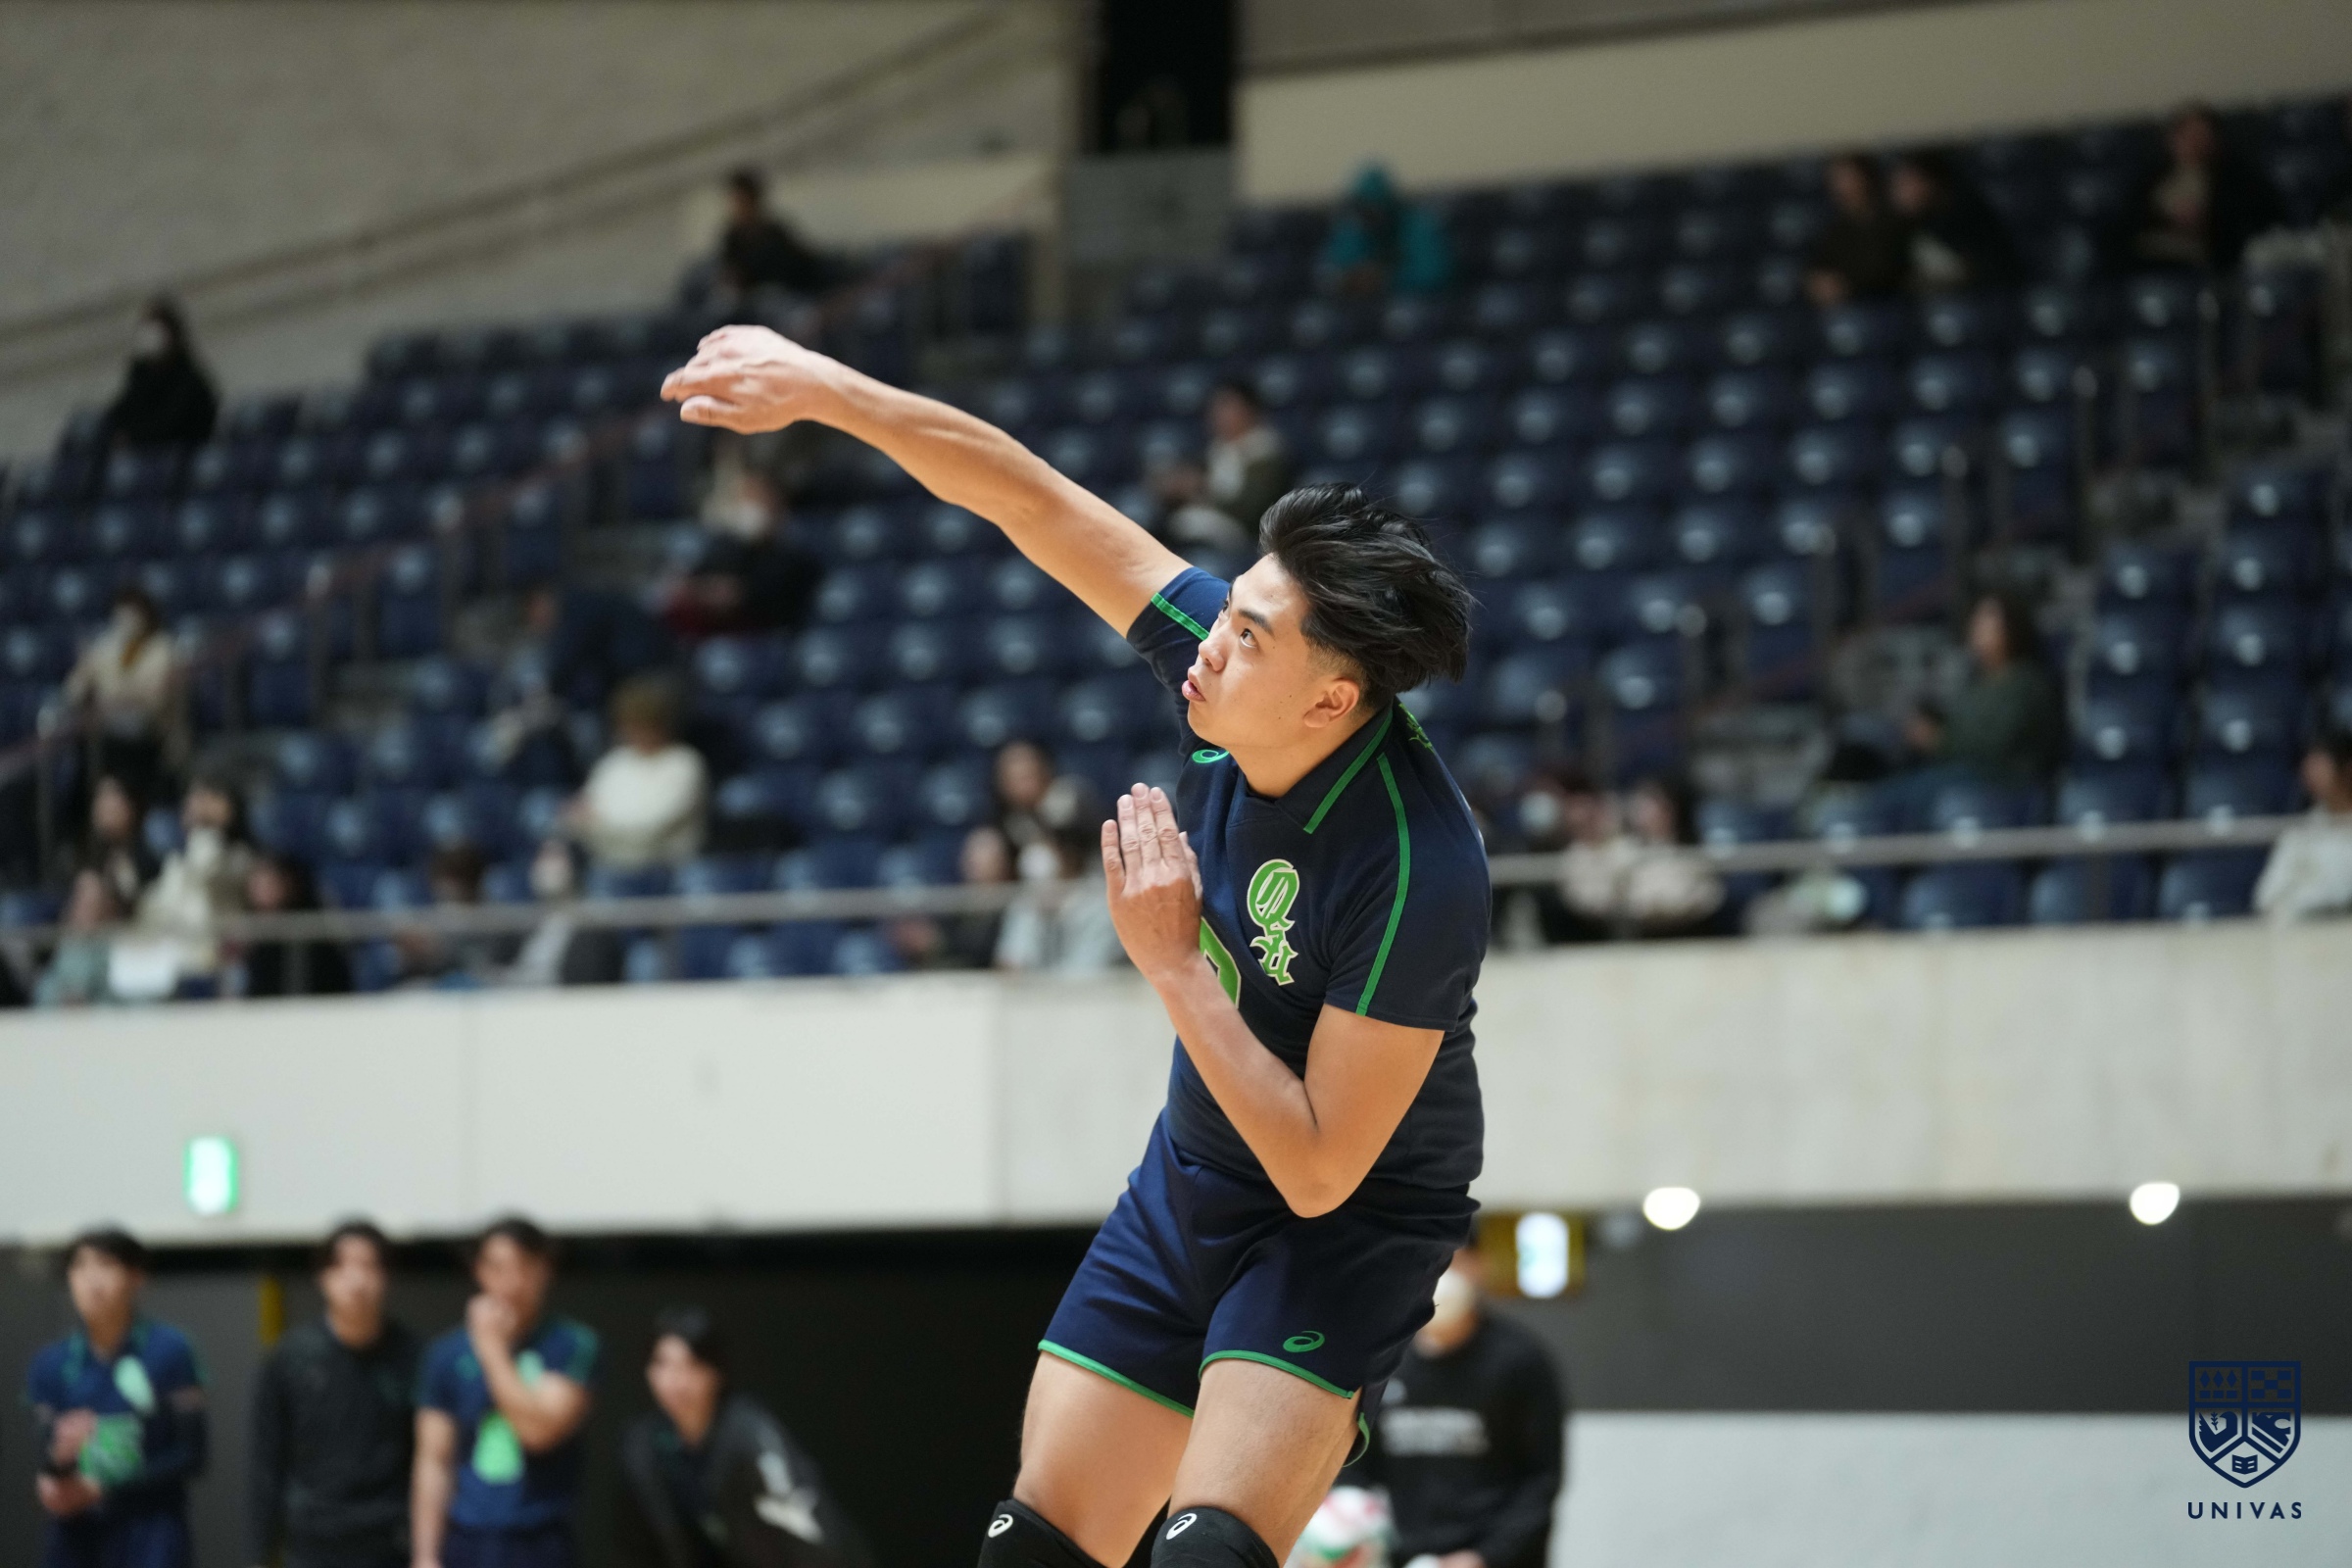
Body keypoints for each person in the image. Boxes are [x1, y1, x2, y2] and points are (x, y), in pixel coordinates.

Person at [663, 326, 1489, 1568]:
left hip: (1347, 1223)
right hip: (1200, 1174)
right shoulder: (1221, 668)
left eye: (1252, 636)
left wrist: (1174, 964)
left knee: (1204, 1554)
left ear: (1332, 698)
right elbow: (1030, 498)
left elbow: (1322, 1166)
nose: (1213, 640)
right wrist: (834, 394)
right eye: (1232, 607)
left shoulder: (1421, 864)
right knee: (1031, 1550)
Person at [1348, 1248, 1565, 1568]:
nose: (1442, 1274)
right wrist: (1347, 1527)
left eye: (1453, 1260)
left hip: (1497, 1558)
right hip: (1408, 1556)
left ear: (1479, 1267)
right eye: (1430, 1259)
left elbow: (1540, 1480)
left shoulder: (1519, 1361)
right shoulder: (1385, 1360)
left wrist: (1484, 1557)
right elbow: (1354, 1463)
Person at [614, 1306, 874, 1568]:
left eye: (692, 1365)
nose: (676, 1381)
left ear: (716, 1372)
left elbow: (811, 1537)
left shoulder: (750, 1436)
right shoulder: (643, 1447)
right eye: (662, 1364)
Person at [413, 1217, 598, 1568]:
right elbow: (434, 1459)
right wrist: (425, 1555)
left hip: (540, 1536)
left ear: (544, 1270)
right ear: (479, 1271)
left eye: (524, 1267)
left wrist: (492, 1350)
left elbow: (539, 1432)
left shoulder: (570, 1344)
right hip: (467, 1536)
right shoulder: (446, 1355)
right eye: (498, 1268)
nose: (511, 1283)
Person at [24, 1228, 209, 1568]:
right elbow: (47, 1457)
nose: (92, 1280)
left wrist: (103, 1486)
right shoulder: (50, 1364)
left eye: (105, 1265)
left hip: (152, 1535)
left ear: (135, 1277)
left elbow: (191, 1454)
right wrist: (58, 1466)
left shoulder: (170, 1351)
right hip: (77, 1538)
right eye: (80, 1267)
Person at [249, 1221, 418, 1568]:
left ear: (386, 1276)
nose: (356, 1280)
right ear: (323, 1277)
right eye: (342, 1266)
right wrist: (259, 1554)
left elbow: (428, 1460)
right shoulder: (290, 1357)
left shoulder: (413, 1356)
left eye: (368, 1266)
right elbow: (267, 1460)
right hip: (312, 1540)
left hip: (389, 1539)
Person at [1896, 593, 2064, 795]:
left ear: (2012, 628)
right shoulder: (1978, 682)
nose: (1977, 629)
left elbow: (1996, 745)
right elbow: (1961, 726)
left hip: (2004, 784)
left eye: (1987, 623)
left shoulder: (2027, 684)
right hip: (1960, 774)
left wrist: (1938, 740)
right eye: (1976, 621)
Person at [2114, 103, 2284, 275]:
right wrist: (2166, 217)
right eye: (2187, 135)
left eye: (2202, 135)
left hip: (2206, 257)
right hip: (2151, 252)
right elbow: (2129, 217)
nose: (2194, 143)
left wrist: (2203, 216)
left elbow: (2255, 216)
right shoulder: (2153, 177)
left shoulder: (2234, 177)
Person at [662, 466, 823, 641]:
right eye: (746, 500)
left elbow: (741, 596)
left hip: (766, 637)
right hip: (713, 638)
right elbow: (685, 589)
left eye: (761, 501)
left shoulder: (792, 557)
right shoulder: (722, 546)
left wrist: (733, 592)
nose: (751, 511)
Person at [1555, 776, 1726, 941]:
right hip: (1635, 938)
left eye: (1649, 804)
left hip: (1688, 936)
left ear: (1670, 809)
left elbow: (1705, 897)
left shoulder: (1691, 853)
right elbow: (1597, 899)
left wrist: (1661, 905)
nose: (1640, 811)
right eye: (1639, 804)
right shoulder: (1621, 850)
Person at [130, 773, 254, 997]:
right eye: (194, 799)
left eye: (208, 798)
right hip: (172, 968)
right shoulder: (175, 864)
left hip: (217, 970)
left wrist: (207, 827)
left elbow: (207, 869)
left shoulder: (239, 857)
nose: (198, 805)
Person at [568, 678, 708, 872]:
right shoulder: (614, 763)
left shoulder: (684, 763)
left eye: (644, 723)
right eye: (630, 724)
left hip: (665, 871)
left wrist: (598, 825)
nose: (635, 732)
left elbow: (651, 828)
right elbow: (578, 817)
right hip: (609, 867)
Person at [62, 587, 180, 808]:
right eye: (121, 613)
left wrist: (116, 697)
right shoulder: (106, 648)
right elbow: (73, 692)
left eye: (133, 612)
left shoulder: (161, 648)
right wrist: (84, 670)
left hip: (149, 736)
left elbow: (154, 699)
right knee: (81, 750)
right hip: (107, 732)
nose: (127, 620)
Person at [995, 780, 1125, 975]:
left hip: (1090, 994)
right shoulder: (1033, 895)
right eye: (1056, 840)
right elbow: (1009, 966)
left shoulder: (1104, 900)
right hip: (1031, 994)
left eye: (1071, 842)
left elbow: (1087, 977)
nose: (1063, 850)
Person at [1151, 382, 1293, 557]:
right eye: (1216, 409)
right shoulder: (1216, 451)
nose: (1219, 415)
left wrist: (1202, 490)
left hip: (1247, 538)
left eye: (1227, 407)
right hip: (1204, 527)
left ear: (1249, 410)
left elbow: (1254, 511)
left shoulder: (1265, 452)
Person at [2254, 728, 2352, 922]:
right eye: (2310, 767)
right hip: (2308, 932)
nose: (2312, 776)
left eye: (2321, 766)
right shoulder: (2300, 831)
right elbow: (2267, 897)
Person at [1888, 149, 2022, 292]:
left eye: (1907, 183)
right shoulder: (1904, 228)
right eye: (1897, 185)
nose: (1900, 194)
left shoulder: (1967, 213)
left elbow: (1993, 268)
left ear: (1930, 181)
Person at [98, 297, 219, 451]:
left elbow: (172, 422)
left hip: (177, 453)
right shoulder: (141, 375)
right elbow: (123, 409)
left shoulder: (188, 379)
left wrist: (133, 437)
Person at [1320, 165, 1452, 298]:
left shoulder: (1418, 226)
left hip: (1418, 299)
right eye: (1363, 208)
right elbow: (1327, 272)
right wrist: (1348, 279)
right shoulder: (1353, 229)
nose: (1370, 213)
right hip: (1360, 303)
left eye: (1375, 207)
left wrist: (1386, 279)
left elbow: (1435, 273)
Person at [236, 852, 354, 999]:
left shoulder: (309, 930)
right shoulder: (247, 932)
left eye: (268, 884)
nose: (261, 891)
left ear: (287, 884)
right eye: (257, 884)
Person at [1805, 154, 1910, 307]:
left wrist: (1848, 285)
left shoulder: (1892, 217)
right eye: (1835, 179)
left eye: (1846, 177)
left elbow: (1890, 269)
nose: (1840, 186)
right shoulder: (1835, 227)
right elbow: (1820, 264)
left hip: (1889, 301)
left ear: (1863, 177)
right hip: (1848, 304)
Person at [715, 169, 833, 302]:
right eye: (734, 202)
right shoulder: (732, 238)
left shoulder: (774, 235)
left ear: (754, 201)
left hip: (790, 293)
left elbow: (800, 268)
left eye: (742, 202)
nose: (738, 209)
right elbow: (728, 274)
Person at [35, 869, 122, 1007]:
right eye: (83, 902)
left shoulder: (113, 946)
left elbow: (119, 996)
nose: (88, 910)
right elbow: (43, 993)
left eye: (94, 903)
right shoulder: (64, 945)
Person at [76, 774, 158, 914]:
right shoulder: (85, 854)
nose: (104, 805)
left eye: (113, 796)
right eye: (100, 797)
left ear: (130, 806)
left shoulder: (146, 854)